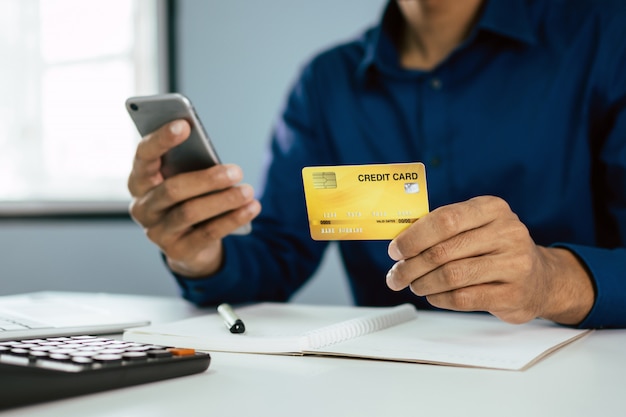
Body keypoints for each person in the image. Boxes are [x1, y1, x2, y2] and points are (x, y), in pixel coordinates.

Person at [127, 0, 626, 329]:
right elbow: (277, 259)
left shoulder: (605, 37)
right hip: (387, 377)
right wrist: (199, 254)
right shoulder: (325, 82)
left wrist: (552, 278)